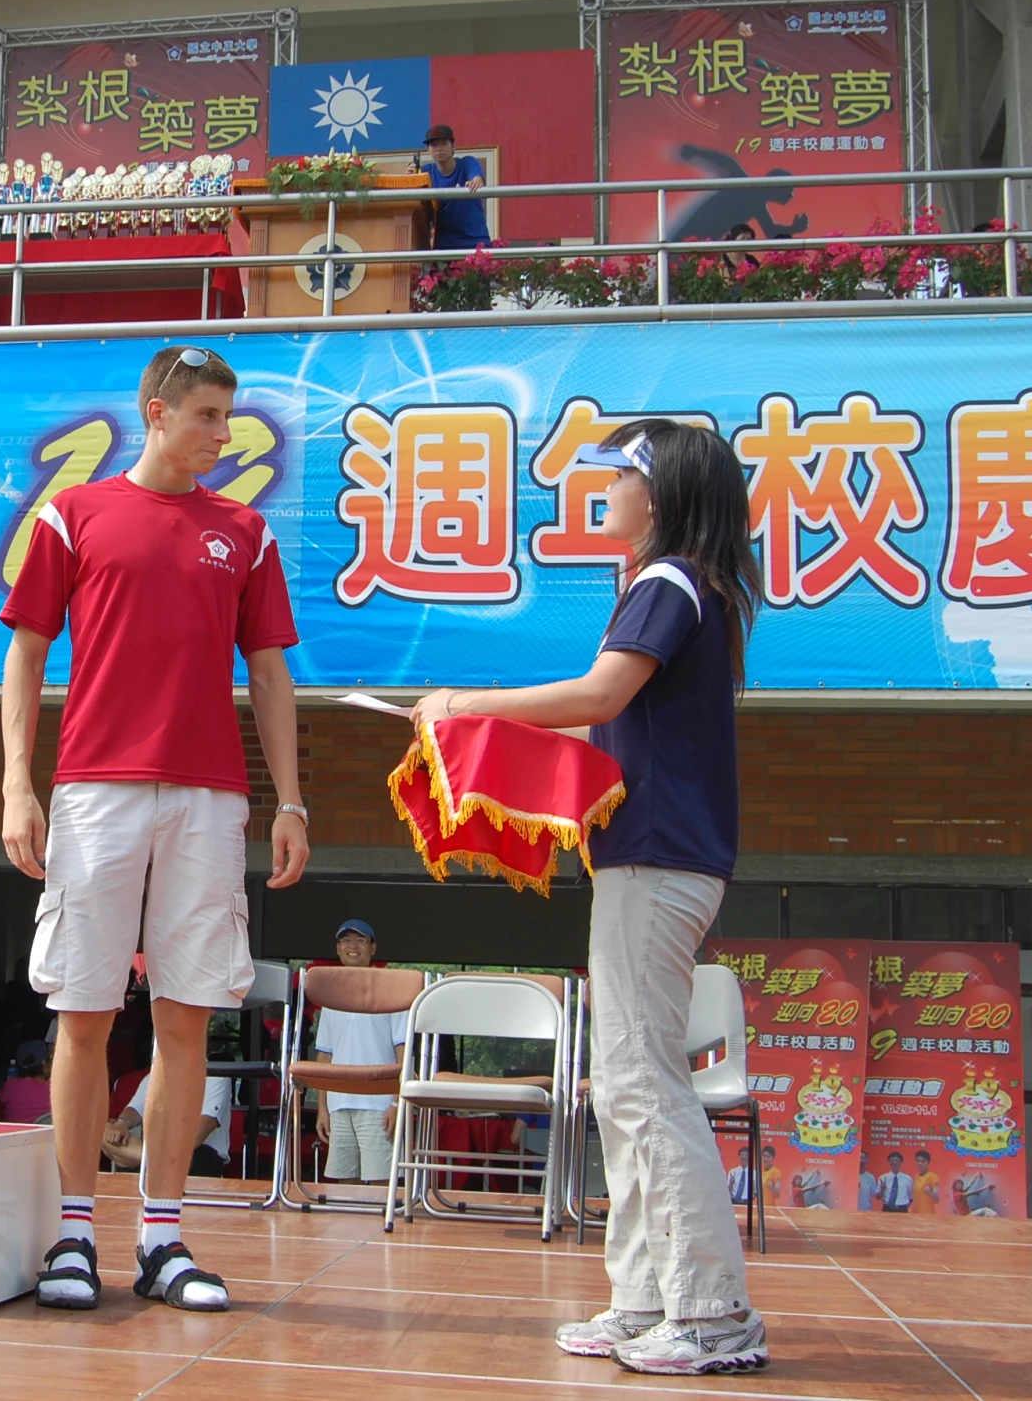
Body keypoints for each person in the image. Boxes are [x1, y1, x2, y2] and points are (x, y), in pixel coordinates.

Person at [413, 418, 767, 1376]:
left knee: (645, 1083)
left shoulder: (666, 581)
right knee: (626, 1083)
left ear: (665, 494)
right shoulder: (684, 584)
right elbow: (612, 717)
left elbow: (600, 694)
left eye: (620, 476)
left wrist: (465, 704)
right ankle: (648, 1297)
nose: (603, 489)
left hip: (657, 862)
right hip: (649, 859)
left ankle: (712, 1309)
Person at [1, 342, 311, 1314]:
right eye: (209, 416)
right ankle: (73, 1235)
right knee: (82, 1012)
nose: (225, 434)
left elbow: (268, 672)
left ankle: (164, 1237)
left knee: (187, 1014)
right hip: (94, 788)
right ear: (157, 412)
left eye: (229, 416)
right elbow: (23, 652)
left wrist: (289, 798)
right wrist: (17, 782)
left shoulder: (243, 533)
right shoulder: (73, 513)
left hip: (210, 796)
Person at [313, 919, 407, 1185]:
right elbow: (324, 1057)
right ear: (338, 948)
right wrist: (323, 1109)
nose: (352, 946)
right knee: (344, 1186)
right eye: (346, 940)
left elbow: (403, 1052)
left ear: (373, 948)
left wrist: (396, 1103)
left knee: (380, 1185)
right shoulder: (332, 997)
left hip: (378, 1105)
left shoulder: (391, 991)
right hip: (339, 1105)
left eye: (360, 940)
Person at [103, 1061, 233, 1179]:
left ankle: (147, 1159)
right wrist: (121, 1124)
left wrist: (174, 1151)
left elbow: (205, 1125)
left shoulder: (216, 1074)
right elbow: (135, 1109)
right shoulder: (156, 1075)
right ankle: (158, 1161)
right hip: (157, 1149)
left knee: (123, 1156)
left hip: (199, 1152)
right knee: (102, 1129)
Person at [420, 124, 491, 252]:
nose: (439, 149)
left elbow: (477, 178)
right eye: (434, 145)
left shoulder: (468, 163)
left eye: (444, 143)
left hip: (474, 241)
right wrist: (409, 175)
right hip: (443, 245)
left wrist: (475, 181)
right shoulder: (425, 172)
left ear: (453, 146)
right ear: (428, 150)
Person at [0, 1038, 55, 1125]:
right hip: (46, 1137)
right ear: (45, 1064)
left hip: (13, 1137)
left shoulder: (10, 1086)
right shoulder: (55, 1090)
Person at [909, 1149, 941, 1215]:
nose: (920, 1163)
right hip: (915, 1214)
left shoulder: (933, 1177)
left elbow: (937, 1200)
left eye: (923, 1161)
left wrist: (930, 1193)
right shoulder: (916, 1176)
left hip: (927, 1215)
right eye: (918, 1161)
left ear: (928, 1163)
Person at [758, 1143, 783, 1208]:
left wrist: (772, 1188)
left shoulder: (775, 1172)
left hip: (769, 1208)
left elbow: (777, 1194)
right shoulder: (760, 1171)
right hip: (759, 1207)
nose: (765, 1158)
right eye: (764, 1156)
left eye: (768, 1156)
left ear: (773, 1158)